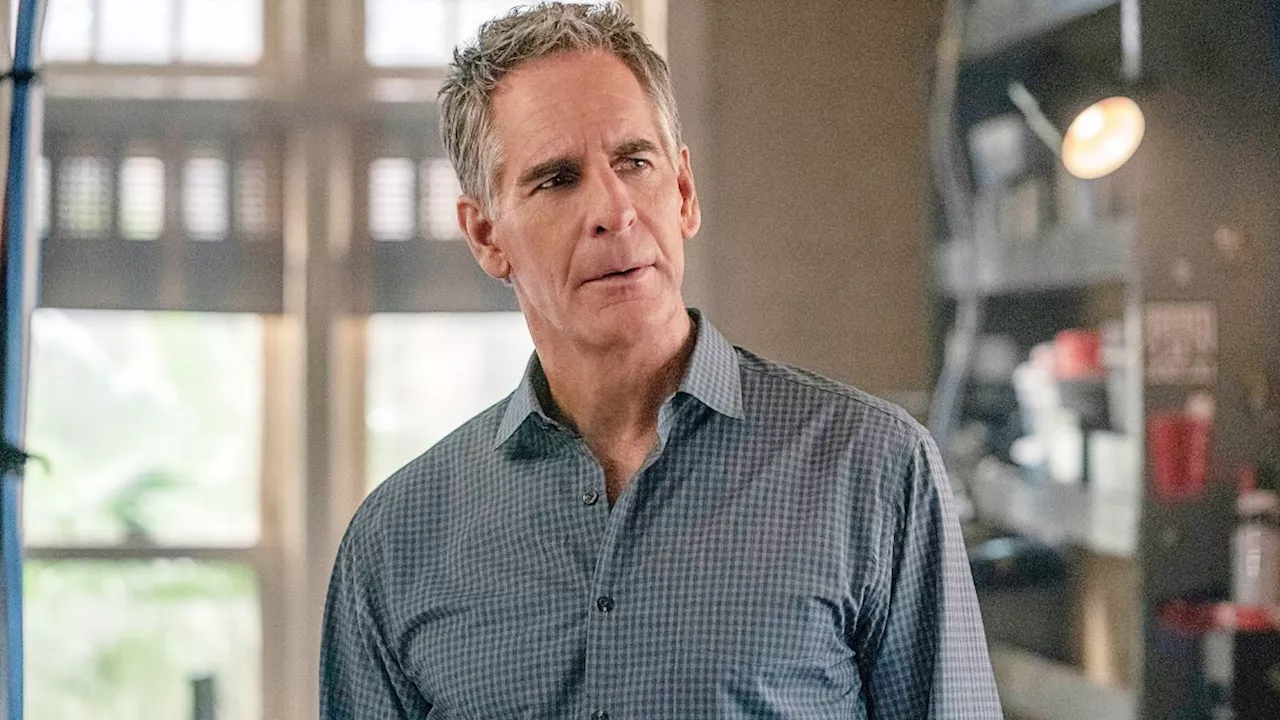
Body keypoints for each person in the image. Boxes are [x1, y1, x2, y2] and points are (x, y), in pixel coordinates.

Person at [321, 3, 1001, 718]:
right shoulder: (394, 543)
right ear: (487, 235)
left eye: (634, 162)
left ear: (683, 192)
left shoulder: (875, 470)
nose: (613, 210)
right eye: (557, 179)